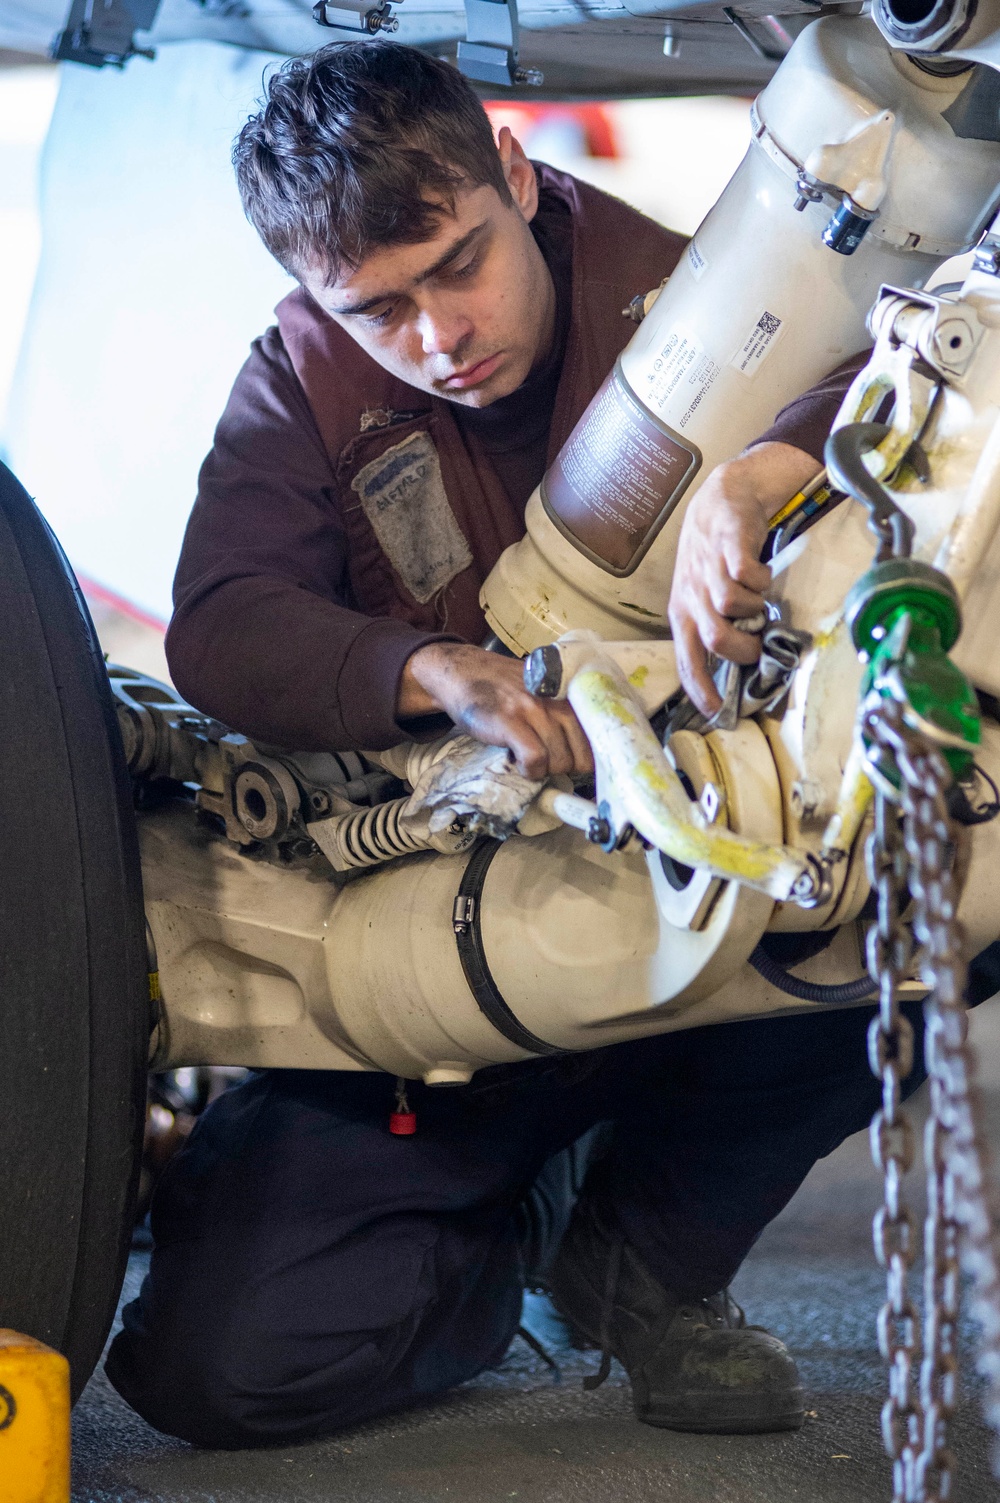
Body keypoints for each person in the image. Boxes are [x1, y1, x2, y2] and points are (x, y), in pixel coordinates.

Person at [105, 42, 936, 1449]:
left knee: (928, 906)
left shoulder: (708, 311)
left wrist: (774, 463)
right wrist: (424, 668)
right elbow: (225, 627)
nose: (438, 335)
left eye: (458, 265)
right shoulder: (303, 383)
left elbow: (899, 379)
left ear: (511, 165)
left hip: (708, 931)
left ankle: (648, 1260)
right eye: (378, 308)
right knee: (215, 1375)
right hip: (435, 972)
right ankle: (508, 1231)